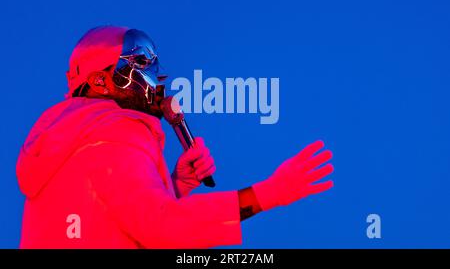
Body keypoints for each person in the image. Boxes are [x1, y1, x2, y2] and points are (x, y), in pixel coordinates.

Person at [16, 26, 334, 248]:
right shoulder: (113, 131)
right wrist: (267, 193)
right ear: (101, 81)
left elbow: (114, 221)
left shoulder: (65, 137)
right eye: (141, 62)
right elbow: (161, 226)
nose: (159, 74)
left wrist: (175, 185)